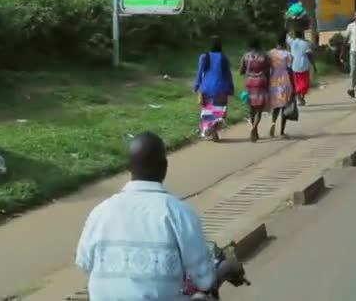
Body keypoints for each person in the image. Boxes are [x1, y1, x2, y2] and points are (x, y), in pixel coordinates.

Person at [75, 132, 245, 301]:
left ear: (129, 167)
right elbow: (205, 280)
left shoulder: (100, 211)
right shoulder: (178, 212)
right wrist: (225, 268)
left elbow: (84, 263)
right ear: (164, 167)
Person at [194, 36, 234, 142]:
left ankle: (208, 129)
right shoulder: (224, 58)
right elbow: (228, 75)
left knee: (208, 111)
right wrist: (231, 87)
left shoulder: (204, 57)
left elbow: (199, 73)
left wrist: (197, 86)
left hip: (206, 88)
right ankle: (214, 129)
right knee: (219, 112)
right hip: (221, 88)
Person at [240, 38, 270, 142]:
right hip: (261, 82)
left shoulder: (246, 56)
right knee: (259, 109)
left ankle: (254, 130)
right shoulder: (264, 56)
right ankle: (255, 128)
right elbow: (268, 70)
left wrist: (247, 72)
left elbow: (241, 70)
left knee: (251, 108)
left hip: (249, 82)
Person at [268, 32, 294, 137]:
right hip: (284, 79)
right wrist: (293, 85)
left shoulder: (270, 54)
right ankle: (282, 131)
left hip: (274, 79)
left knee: (276, 105)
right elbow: (290, 69)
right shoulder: (288, 55)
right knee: (284, 106)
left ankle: (273, 122)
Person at [289, 30, 317, 105]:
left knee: (297, 83)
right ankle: (301, 97)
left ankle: (299, 97)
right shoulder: (306, 43)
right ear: (302, 34)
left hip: (294, 66)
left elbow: (288, 36)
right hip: (303, 66)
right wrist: (314, 65)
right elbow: (309, 55)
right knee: (305, 84)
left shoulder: (292, 43)